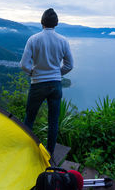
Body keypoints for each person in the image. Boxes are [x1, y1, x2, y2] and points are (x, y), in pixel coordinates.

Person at [20, 8, 73, 155]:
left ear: (42, 22)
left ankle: (25, 149)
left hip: (38, 84)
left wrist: (33, 73)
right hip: (55, 85)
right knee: (53, 121)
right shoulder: (63, 41)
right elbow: (69, 65)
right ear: (56, 23)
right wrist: (56, 74)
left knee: (30, 118)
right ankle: (50, 153)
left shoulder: (34, 39)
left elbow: (24, 64)